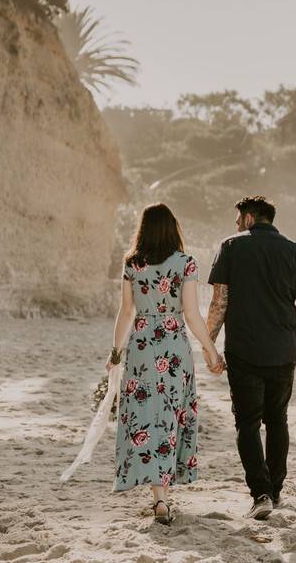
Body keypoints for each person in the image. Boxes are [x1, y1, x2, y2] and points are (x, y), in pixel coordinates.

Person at [206, 195, 296, 520]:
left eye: (237, 219)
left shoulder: (230, 246)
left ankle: (260, 494)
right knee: (277, 421)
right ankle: (275, 491)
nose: (236, 225)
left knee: (246, 423)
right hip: (283, 351)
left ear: (247, 218)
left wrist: (208, 345)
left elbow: (219, 301)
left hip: (243, 350)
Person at [106, 203, 221, 525]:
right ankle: (163, 496)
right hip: (173, 349)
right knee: (170, 416)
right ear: (173, 228)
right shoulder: (185, 263)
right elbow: (192, 314)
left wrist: (115, 352)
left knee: (145, 416)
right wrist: (210, 349)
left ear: (143, 228)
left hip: (141, 347)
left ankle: (159, 498)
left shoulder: (132, 263)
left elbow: (125, 312)